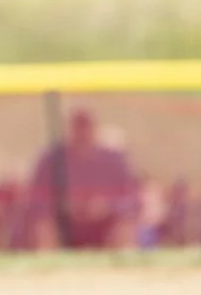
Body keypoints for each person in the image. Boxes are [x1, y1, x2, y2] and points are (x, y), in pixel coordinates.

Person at [20, 106, 141, 251]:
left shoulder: (113, 160)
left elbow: (132, 199)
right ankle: (48, 266)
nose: (81, 133)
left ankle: (124, 267)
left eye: (86, 126)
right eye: (77, 126)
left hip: (104, 224)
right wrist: (62, 206)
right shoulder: (51, 161)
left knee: (125, 225)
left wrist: (107, 206)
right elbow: (35, 199)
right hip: (63, 224)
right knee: (43, 226)